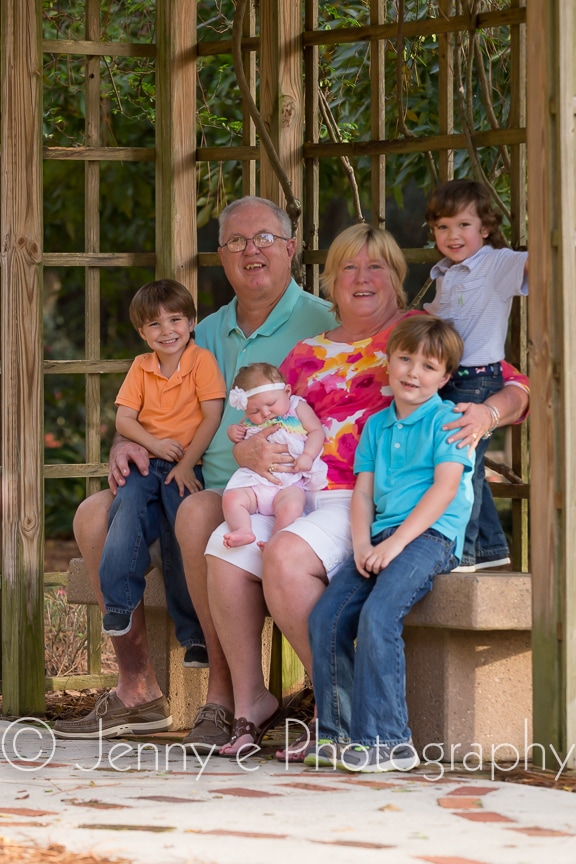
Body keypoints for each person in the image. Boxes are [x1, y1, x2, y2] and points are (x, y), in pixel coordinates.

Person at [202, 223, 529, 760]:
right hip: (289, 487)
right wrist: (246, 452)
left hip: (358, 497)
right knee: (224, 547)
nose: (362, 278)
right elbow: (266, 417)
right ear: (331, 282)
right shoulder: (304, 354)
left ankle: (337, 713)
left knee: (285, 555)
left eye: (375, 266)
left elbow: (513, 383)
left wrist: (488, 414)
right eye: (349, 267)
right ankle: (253, 701)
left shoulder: (414, 336)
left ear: (397, 279)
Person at [53, 196, 335, 740]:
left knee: (199, 515)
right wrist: (122, 442)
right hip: (191, 476)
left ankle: (224, 696)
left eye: (265, 239)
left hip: (284, 491)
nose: (251, 251)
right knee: (93, 514)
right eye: (235, 241)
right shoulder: (201, 331)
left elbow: (339, 421)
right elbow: (157, 409)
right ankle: (137, 692)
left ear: (291, 249)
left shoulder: (321, 324)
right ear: (221, 255)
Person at [304, 315, 474, 773]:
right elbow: (362, 492)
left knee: (380, 613)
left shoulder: (449, 420)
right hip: (379, 536)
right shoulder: (378, 426)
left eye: (428, 366)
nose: (413, 372)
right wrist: (361, 544)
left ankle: (389, 741)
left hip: (430, 536)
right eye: (405, 359)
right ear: (389, 360)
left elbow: (444, 490)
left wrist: (395, 544)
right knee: (326, 615)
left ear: (445, 376)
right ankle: (337, 735)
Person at [98, 280, 225, 662]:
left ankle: (194, 637)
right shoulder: (141, 366)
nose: (166, 331)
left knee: (179, 535)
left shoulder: (201, 361)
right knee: (126, 507)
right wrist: (154, 446)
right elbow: (125, 419)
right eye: (154, 324)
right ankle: (118, 606)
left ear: (191, 322)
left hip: (185, 465)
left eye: (175, 320)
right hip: (146, 461)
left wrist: (186, 463)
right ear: (142, 332)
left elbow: (212, 415)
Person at [424, 179, 529, 571]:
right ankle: (490, 550)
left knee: (458, 463)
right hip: (450, 376)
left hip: (479, 378)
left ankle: (460, 554)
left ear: (484, 227)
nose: (453, 235)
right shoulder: (445, 273)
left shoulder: (496, 262)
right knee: (469, 462)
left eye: (464, 225)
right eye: (443, 226)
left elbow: (542, 263)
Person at [222, 362, 327, 548]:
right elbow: (242, 437)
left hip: (288, 482)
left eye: (271, 404)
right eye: (254, 411)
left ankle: (275, 540)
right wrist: (233, 432)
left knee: (293, 505)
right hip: (255, 482)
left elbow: (316, 431)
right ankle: (243, 529)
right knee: (231, 498)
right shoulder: (250, 420)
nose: (265, 413)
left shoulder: (296, 407)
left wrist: (308, 456)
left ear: (287, 392)